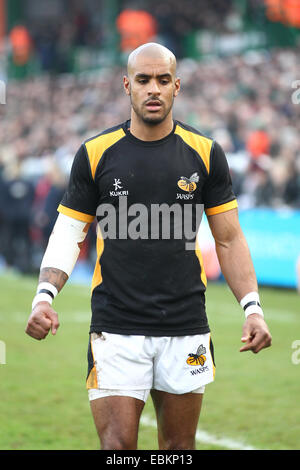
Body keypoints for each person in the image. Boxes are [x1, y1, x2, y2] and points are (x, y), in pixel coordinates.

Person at [25, 42, 272, 450]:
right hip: (116, 327)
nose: (153, 89)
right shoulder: (94, 153)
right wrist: (43, 297)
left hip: (185, 326)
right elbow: (69, 232)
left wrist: (253, 309)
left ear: (177, 86)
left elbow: (229, 238)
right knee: (118, 448)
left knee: (178, 449)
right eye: (143, 80)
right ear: (127, 85)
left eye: (162, 80)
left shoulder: (207, 153)